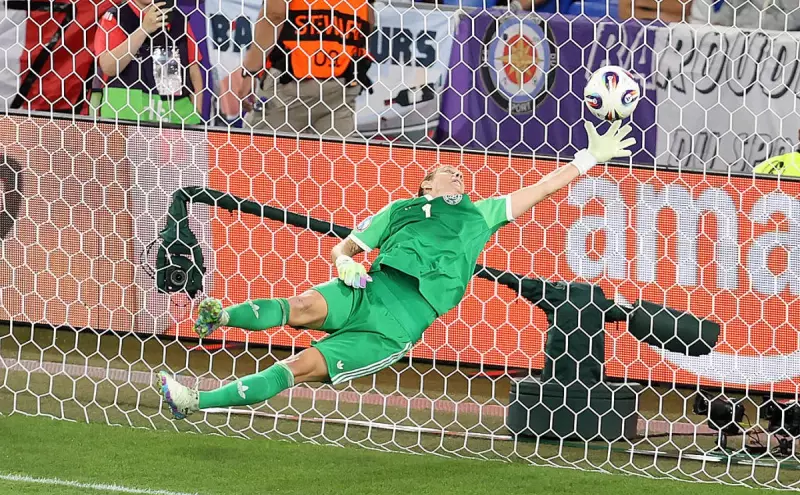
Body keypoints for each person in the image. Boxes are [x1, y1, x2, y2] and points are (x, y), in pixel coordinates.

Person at [157, 121, 635, 420]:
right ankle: (217, 316)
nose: (459, 178)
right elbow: (347, 246)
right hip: (368, 289)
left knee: (298, 367)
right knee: (300, 306)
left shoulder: (479, 215)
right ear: (426, 182)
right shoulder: (398, 211)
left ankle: (196, 402)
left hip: (394, 328)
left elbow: (544, 187)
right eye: (448, 173)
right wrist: (344, 262)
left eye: (463, 176)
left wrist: (588, 158)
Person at [227, 0, 373, 136]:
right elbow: (368, 15)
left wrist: (250, 71)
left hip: (291, 81)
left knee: (262, 156)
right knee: (332, 158)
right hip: (342, 78)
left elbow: (274, 14)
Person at [94, 0, 204, 124]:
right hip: (124, 122)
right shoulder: (116, 16)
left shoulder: (177, 19)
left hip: (173, 124)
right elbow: (109, 68)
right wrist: (144, 29)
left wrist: (197, 113)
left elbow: (193, 71)